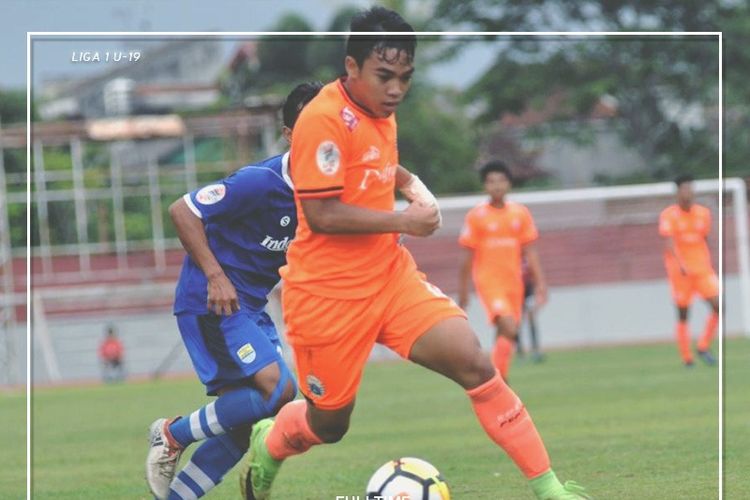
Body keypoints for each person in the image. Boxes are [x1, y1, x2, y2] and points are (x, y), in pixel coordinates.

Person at [240, 8, 589, 500]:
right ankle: (271, 442)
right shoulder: (321, 117)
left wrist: (407, 182)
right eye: (385, 76)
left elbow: (372, 160)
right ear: (352, 67)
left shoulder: (381, 111)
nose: (397, 88)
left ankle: (551, 489)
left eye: (405, 77)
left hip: (389, 279)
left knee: (474, 363)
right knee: (330, 423)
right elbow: (323, 215)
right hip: (327, 298)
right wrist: (406, 220)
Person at [144, 82, 323, 500]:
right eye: (312, 124)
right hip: (214, 302)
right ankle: (173, 432)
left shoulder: (323, 193)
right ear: (290, 134)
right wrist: (215, 275)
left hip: (250, 308)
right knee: (279, 391)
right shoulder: (260, 182)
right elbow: (182, 210)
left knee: (242, 425)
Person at [458, 161, 548, 380]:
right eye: (491, 181)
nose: (496, 186)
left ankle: (498, 378)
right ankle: (498, 380)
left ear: (509, 184)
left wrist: (540, 284)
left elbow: (530, 252)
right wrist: (463, 291)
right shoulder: (476, 216)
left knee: (506, 332)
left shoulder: (520, 214)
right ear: (484, 186)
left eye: (501, 181)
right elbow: (467, 256)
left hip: (513, 282)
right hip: (489, 281)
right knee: (508, 325)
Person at [658, 174, 719, 367]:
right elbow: (668, 243)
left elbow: (705, 239)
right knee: (683, 313)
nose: (689, 192)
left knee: (718, 305)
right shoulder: (669, 215)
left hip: (702, 269)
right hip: (680, 272)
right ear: (678, 192)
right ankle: (687, 358)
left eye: (691, 188)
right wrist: (681, 264)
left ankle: (702, 346)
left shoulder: (703, 213)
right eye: (685, 188)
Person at [517, 257, 545, 363]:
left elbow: (534, 274)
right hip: (515, 292)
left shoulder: (528, 259)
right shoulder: (511, 257)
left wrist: (538, 288)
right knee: (517, 323)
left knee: (532, 320)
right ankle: (520, 353)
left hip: (528, 290)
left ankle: (535, 350)